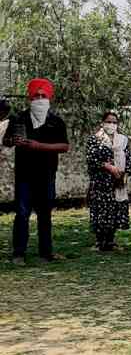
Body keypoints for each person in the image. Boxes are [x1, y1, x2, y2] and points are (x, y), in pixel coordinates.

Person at [2, 78, 70, 265]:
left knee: (45, 214)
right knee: (22, 213)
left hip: (47, 173)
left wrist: (38, 146)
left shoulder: (56, 121)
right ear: (29, 98)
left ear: (49, 98)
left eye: (43, 96)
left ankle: (45, 253)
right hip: (24, 174)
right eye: (36, 96)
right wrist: (12, 141)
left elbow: (64, 146)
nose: (39, 99)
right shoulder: (19, 118)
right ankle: (19, 253)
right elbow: (6, 141)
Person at [85, 112, 131, 251]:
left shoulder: (123, 140)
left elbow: (129, 159)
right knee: (101, 210)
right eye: (109, 121)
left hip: (118, 182)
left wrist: (124, 173)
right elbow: (91, 159)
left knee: (115, 210)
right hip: (101, 181)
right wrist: (108, 167)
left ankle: (111, 241)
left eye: (114, 122)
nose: (111, 125)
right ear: (102, 123)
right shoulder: (95, 139)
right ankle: (100, 241)